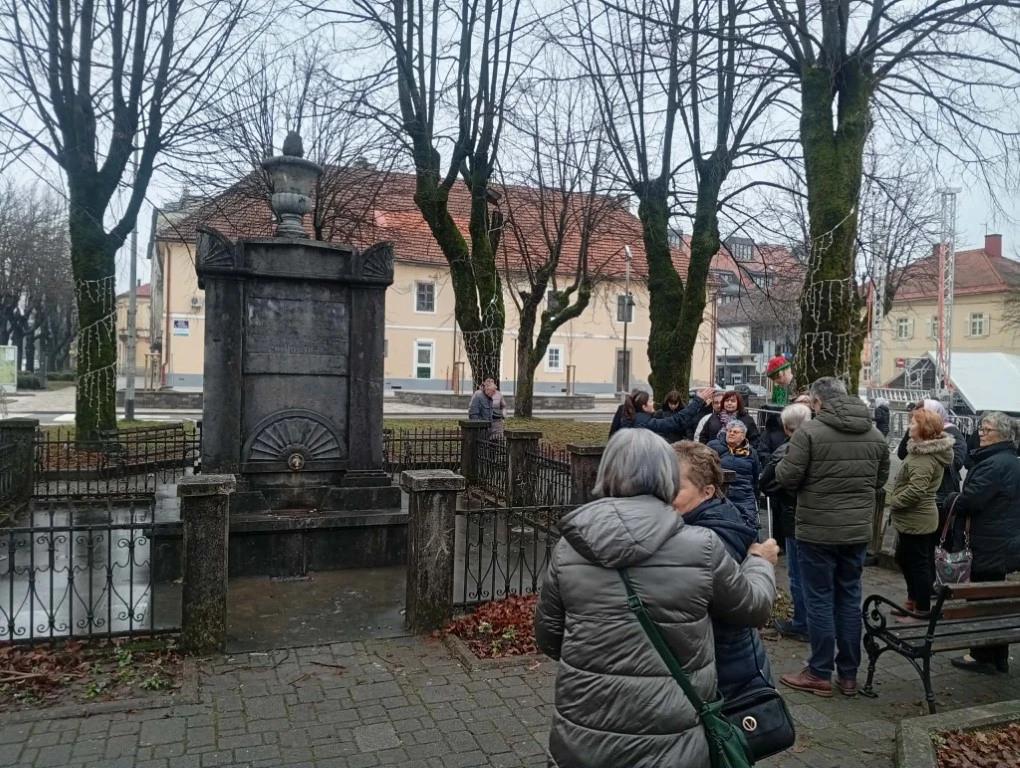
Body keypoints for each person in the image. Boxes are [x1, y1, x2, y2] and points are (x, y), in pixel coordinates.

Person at [534, 429, 778, 767]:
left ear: (606, 473)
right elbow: (754, 608)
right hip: (672, 738)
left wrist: (599, 659)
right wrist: (759, 563)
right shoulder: (701, 546)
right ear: (665, 475)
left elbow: (549, 637)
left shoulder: (569, 548)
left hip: (583, 735)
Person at [774, 377, 890, 697]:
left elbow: (787, 476)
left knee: (819, 599)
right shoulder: (875, 434)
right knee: (849, 599)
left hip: (817, 531)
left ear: (816, 402)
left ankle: (819, 672)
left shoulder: (809, 433)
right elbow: (880, 480)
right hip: (855, 532)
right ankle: (849, 674)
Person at [672, 440, 774, 698]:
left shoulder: (709, 539)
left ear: (707, 492)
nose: (664, 494)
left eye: (676, 488)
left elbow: (747, 607)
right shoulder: (698, 520)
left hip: (724, 679)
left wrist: (759, 562)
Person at [945, 411, 1020, 674]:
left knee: (981, 601)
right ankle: (997, 654)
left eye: (986, 429)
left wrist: (950, 498)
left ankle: (982, 655)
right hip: (1003, 542)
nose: (980, 433)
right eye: (981, 428)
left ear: (1002, 434)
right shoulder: (1011, 461)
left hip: (986, 543)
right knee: (995, 599)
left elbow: (971, 501)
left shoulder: (993, 465)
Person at [887, 408, 954, 622]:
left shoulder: (925, 457)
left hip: (917, 518)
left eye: (913, 423)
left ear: (924, 428)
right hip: (912, 518)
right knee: (905, 559)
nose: (909, 426)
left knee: (918, 564)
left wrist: (895, 502)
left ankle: (922, 609)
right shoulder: (919, 450)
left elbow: (917, 490)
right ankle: (912, 601)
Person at [760, 402, 814, 643]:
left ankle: (802, 622)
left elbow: (767, 482)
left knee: (798, 573)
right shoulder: (822, 445)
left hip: (796, 517)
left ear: (786, 428)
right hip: (821, 518)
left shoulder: (786, 451)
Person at [896, 399, 968, 544]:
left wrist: (930, 450)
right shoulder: (916, 434)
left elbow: (956, 462)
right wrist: (913, 433)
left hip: (940, 494)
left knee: (931, 544)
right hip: (921, 497)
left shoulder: (952, 432)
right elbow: (902, 453)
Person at [707, 420, 761, 527]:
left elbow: (755, 477)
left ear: (743, 436)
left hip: (744, 495)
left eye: (735, 432)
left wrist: (756, 498)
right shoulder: (712, 446)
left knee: (749, 526)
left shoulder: (751, 452)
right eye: (729, 431)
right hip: (719, 494)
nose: (731, 433)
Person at [619, 388, 713, 443]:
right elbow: (676, 421)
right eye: (650, 401)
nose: (653, 403)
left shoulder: (632, 419)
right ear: (644, 406)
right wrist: (697, 401)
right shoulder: (645, 422)